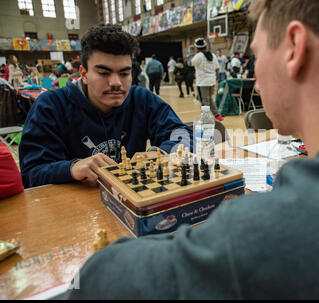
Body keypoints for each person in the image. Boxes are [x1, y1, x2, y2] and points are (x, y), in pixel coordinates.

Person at [59, 0, 319, 300]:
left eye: (259, 55)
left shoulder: (266, 232)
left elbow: (98, 281)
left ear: (295, 48)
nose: (256, 82)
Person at [19, 24, 192, 189]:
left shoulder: (141, 98)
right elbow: (30, 174)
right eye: (103, 73)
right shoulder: (50, 106)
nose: (116, 83)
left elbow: (185, 136)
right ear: (84, 74)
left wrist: (161, 152)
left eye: (124, 73)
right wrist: (71, 168)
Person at [191, 37, 224, 121]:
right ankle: (217, 115)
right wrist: (215, 79)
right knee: (209, 99)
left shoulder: (198, 56)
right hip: (211, 81)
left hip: (202, 82)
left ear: (197, 47)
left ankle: (205, 119)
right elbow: (217, 69)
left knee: (204, 101)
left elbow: (190, 63)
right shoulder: (213, 55)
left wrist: (191, 52)